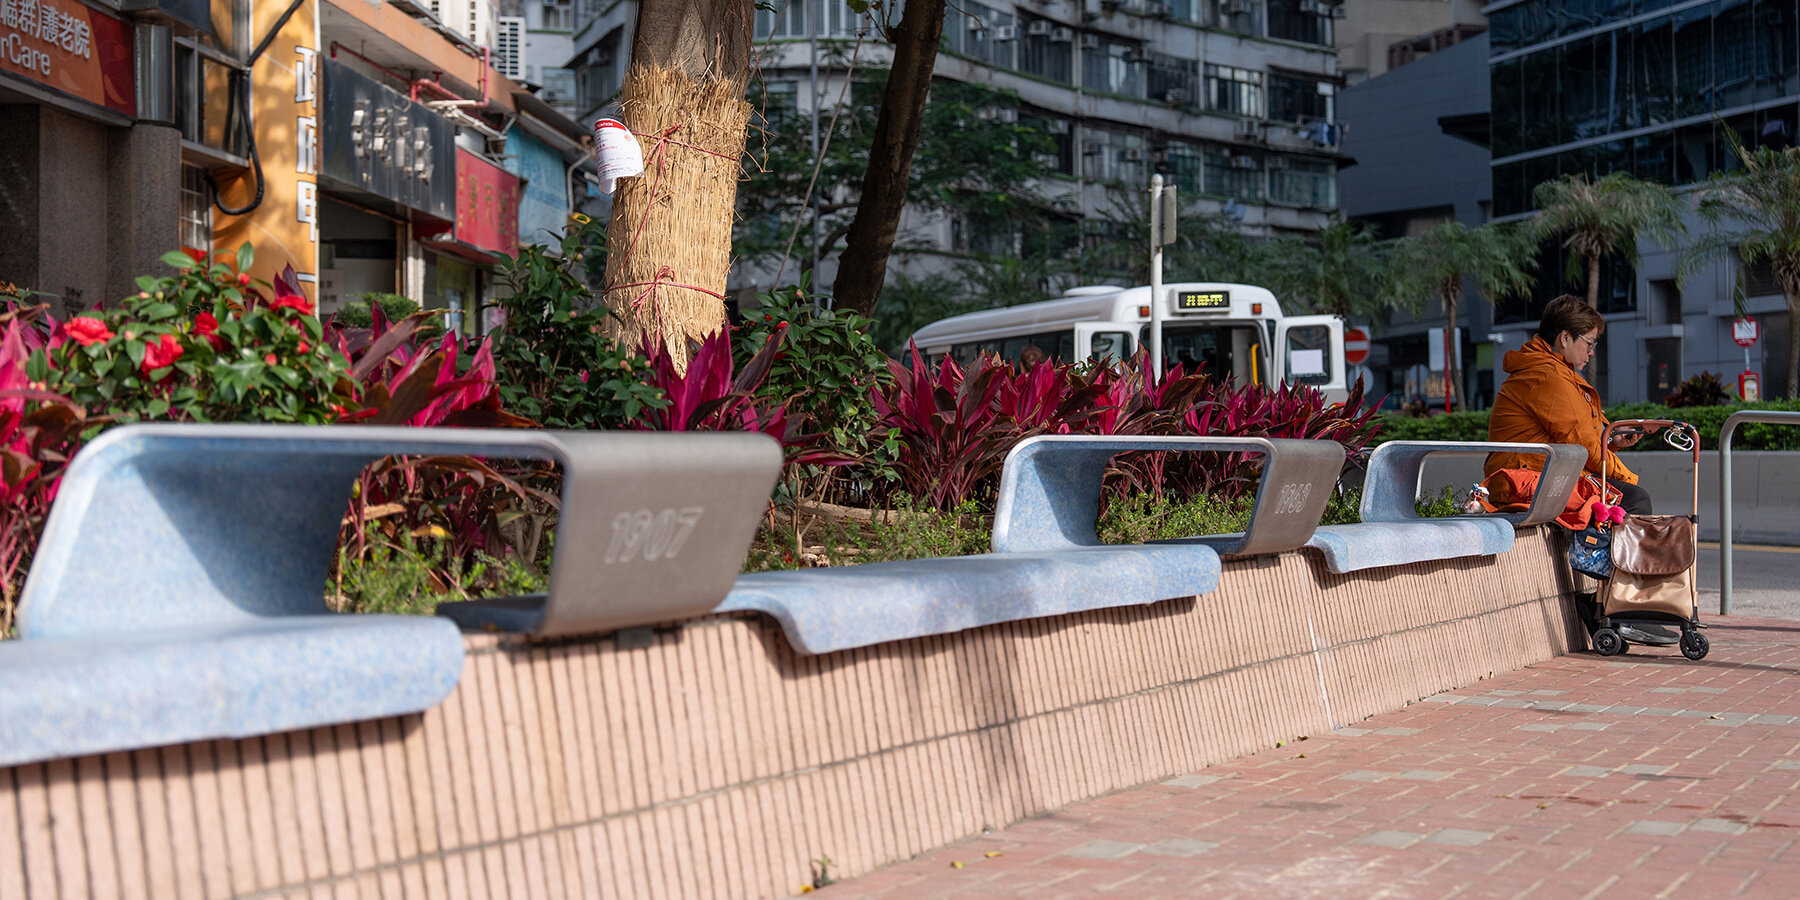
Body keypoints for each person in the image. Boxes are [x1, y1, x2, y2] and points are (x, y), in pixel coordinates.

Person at [1485, 295, 1650, 515]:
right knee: (1634, 499)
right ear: (1564, 338)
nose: (1591, 352)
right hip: (1525, 481)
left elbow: (1579, 435)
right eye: (1589, 343)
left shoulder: (1553, 371)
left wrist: (1610, 439)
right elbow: (1584, 446)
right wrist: (1628, 478)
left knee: (1624, 497)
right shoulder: (1548, 376)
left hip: (1537, 476)